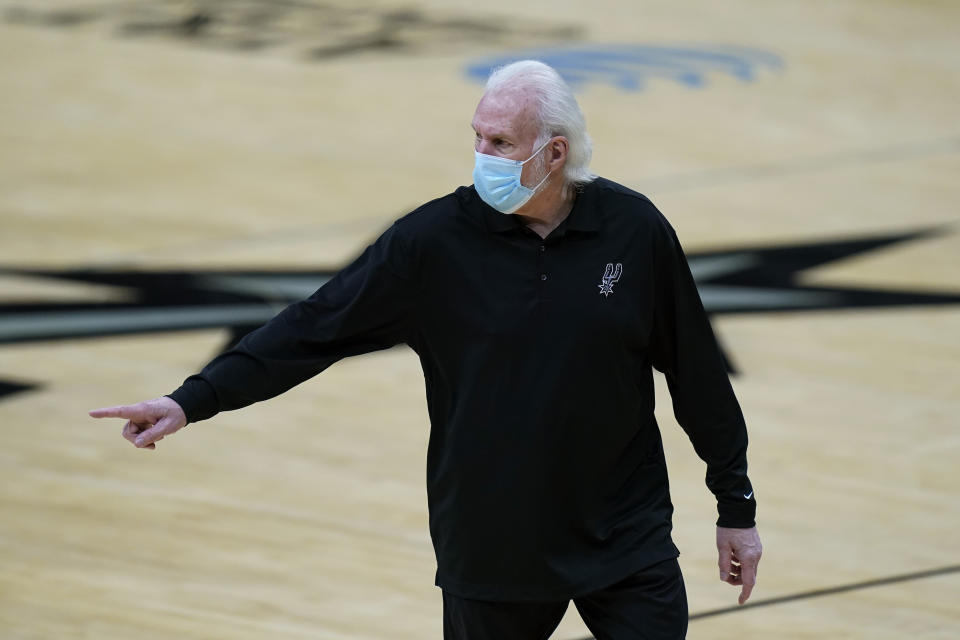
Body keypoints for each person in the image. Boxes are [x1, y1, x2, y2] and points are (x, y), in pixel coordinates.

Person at [90, 60, 762, 639]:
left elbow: (696, 372)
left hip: (625, 533)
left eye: (500, 142)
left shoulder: (633, 230)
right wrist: (192, 400)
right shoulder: (432, 245)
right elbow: (311, 326)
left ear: (555, 153)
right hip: (494, 542)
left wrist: (736, 508)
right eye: (476, 136)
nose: (481, 156)